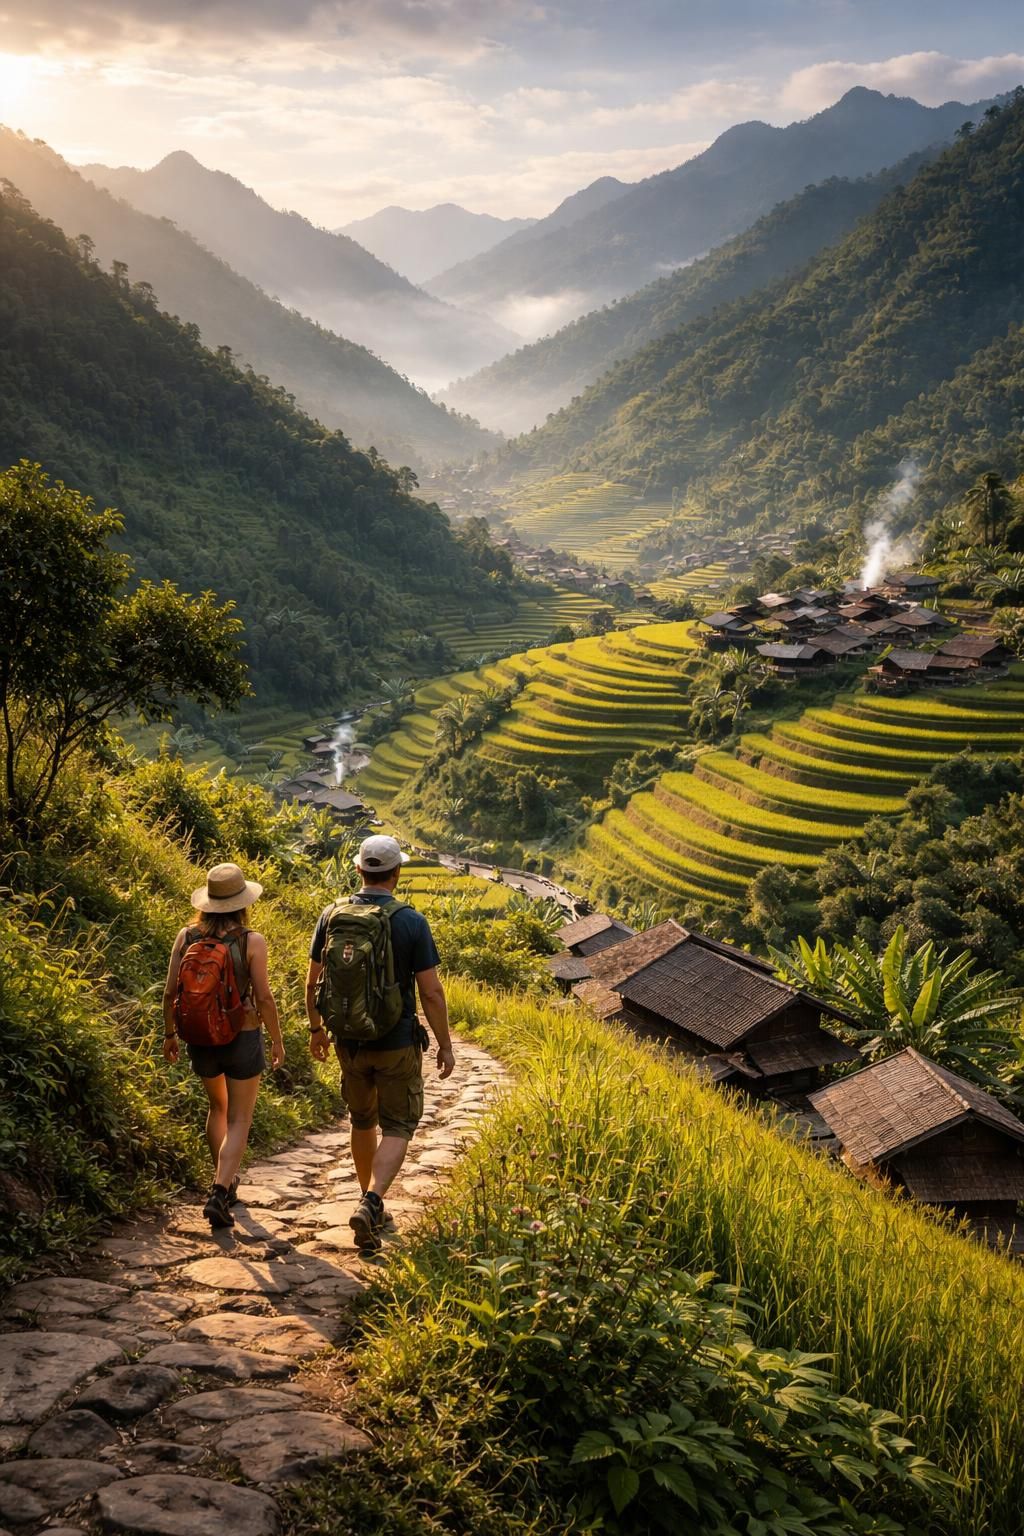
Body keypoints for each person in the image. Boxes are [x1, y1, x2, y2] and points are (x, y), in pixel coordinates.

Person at [306, 834, 454, 1253]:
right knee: (398, 1125)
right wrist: (444, 1044)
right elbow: (431, 992)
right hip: (395, 1041)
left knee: (361, 1121)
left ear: (358, 870)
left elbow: (313, 981)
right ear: (397, 873)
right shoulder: (411, 921)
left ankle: (369, 1202)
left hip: (348, 1040)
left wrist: (316, 1029)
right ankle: (371, 1202)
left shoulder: (332, 914)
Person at [162, 862, 285, 1230]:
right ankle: (220, 1191)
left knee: (217, 1107)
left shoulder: (186, 936)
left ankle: (225, 1182)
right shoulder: (251, 941)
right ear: (243, 903)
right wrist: (277, 1039)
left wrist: (169, 1035)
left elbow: (169, 993)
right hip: (242, 1036)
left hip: (200, 1036)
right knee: (239, 1118)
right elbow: (264, 997)